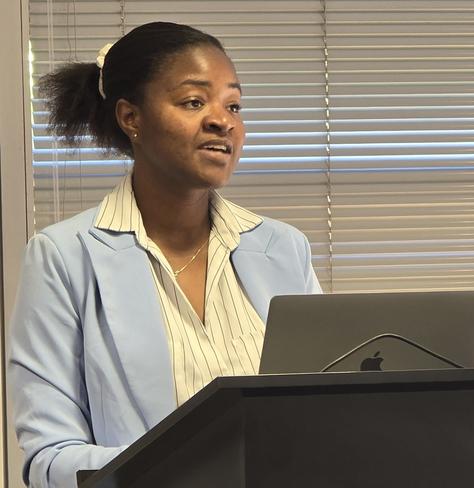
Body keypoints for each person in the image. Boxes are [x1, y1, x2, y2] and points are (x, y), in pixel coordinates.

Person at [8, 21, 321, 488]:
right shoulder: (62, 257)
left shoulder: (284, 248)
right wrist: (185, 466)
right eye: (194, 102)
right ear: (131, 117)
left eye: (233, 104)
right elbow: (48, 459)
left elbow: (325, 407)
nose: (223, 120)